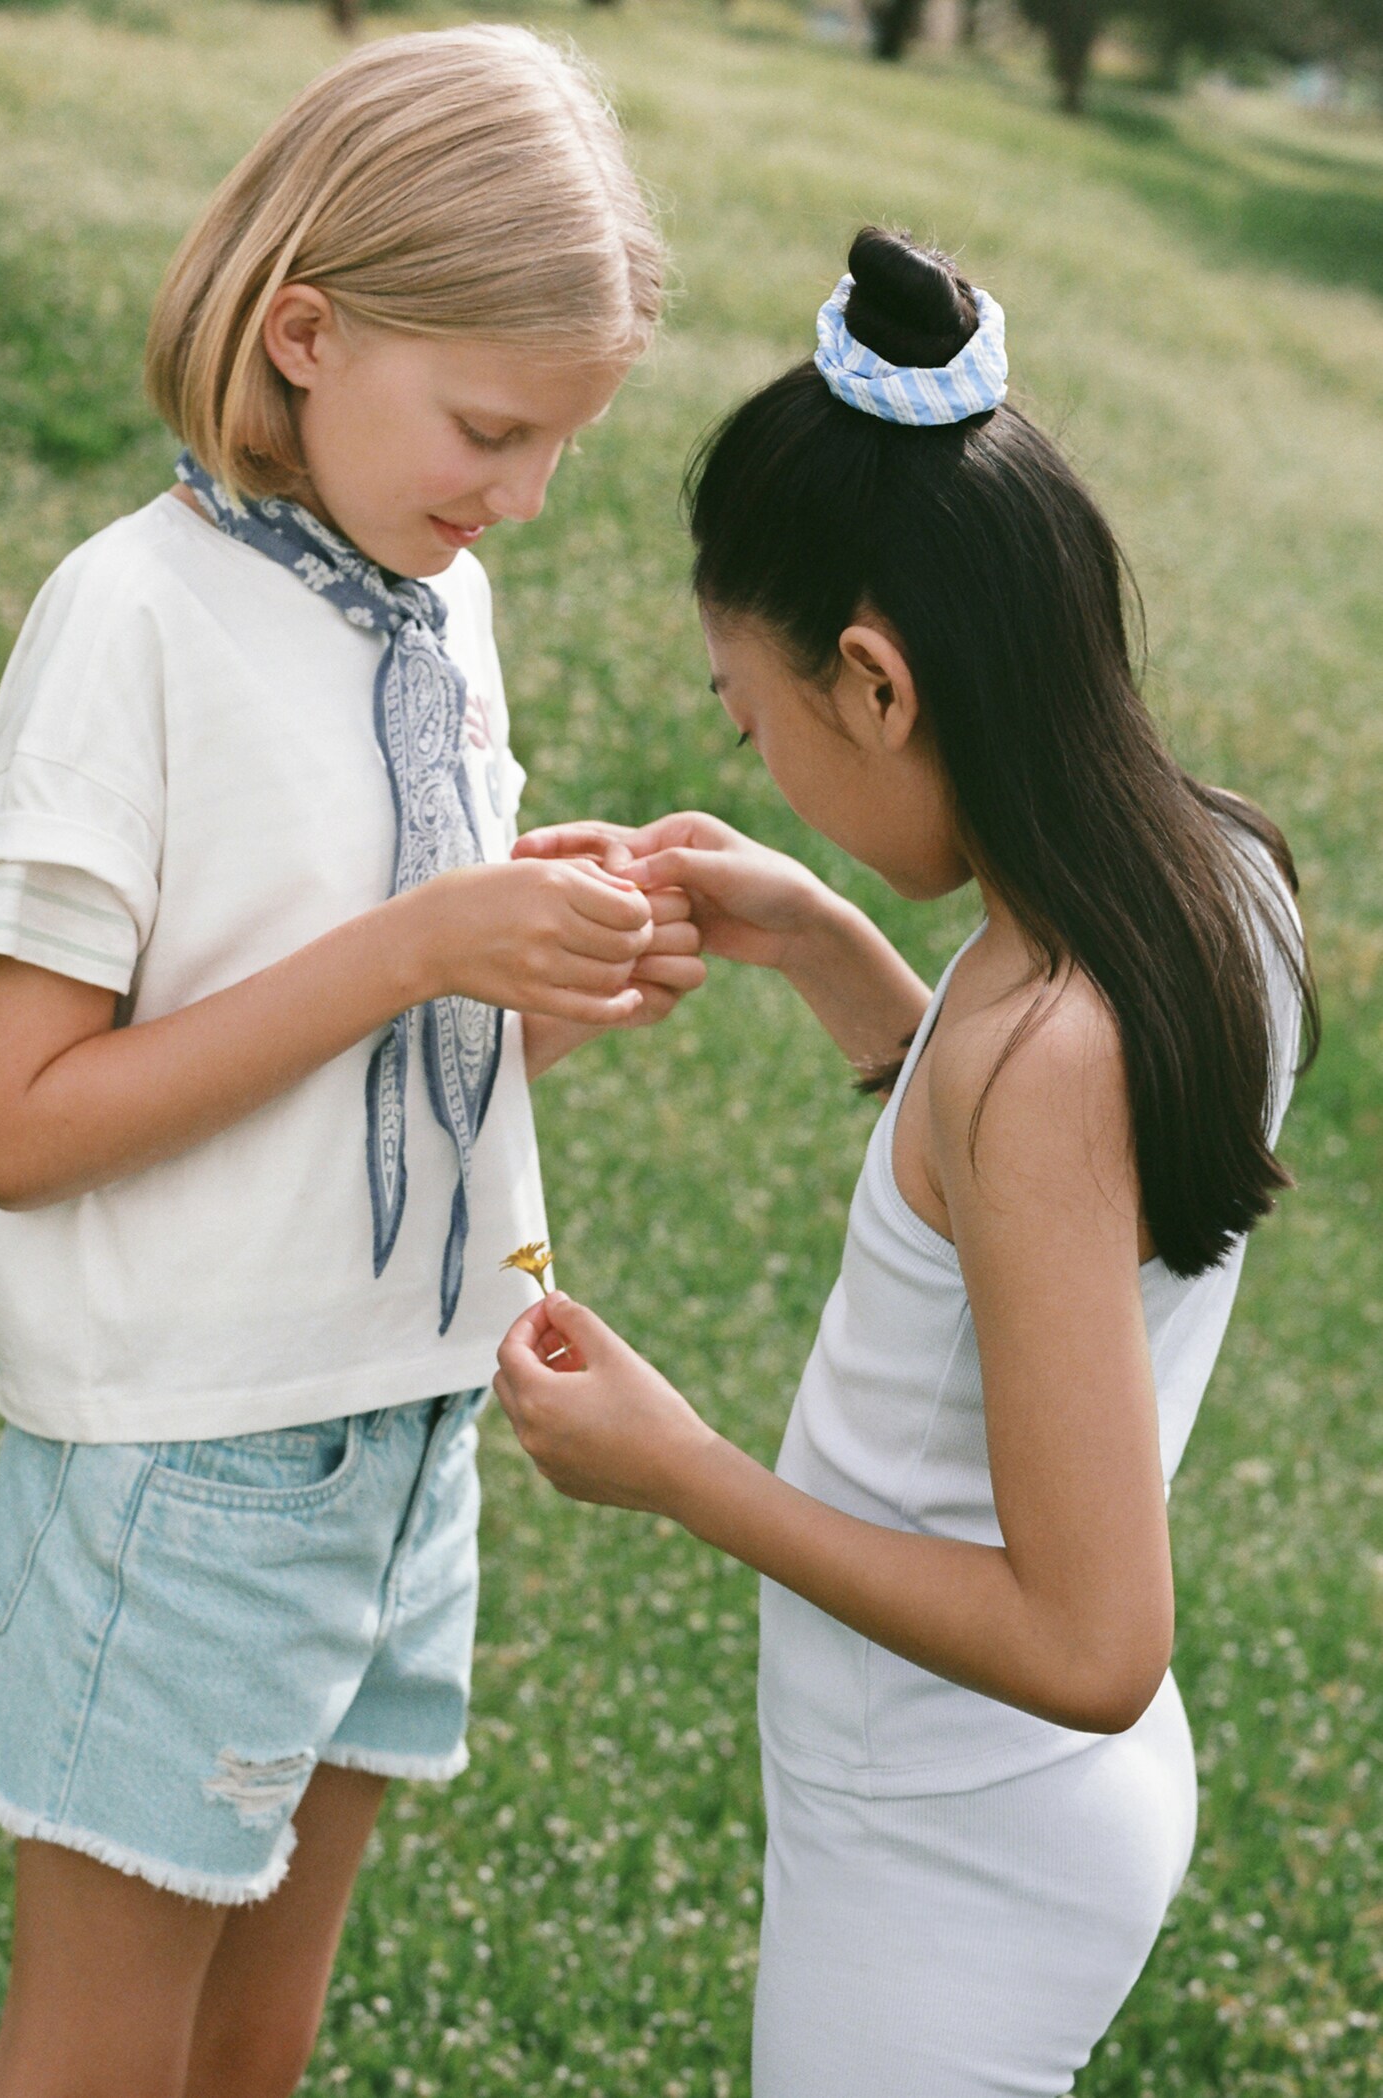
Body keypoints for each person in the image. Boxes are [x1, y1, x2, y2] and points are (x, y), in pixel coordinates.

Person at [0, 28, 704, 2098]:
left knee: (254, 2048)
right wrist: (411, 947)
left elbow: (378, 1050)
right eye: (492, 427)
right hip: (195, 1456)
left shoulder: (438, 608)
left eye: (563, 444)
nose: (523, 494)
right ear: (303, 332)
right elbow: (23, 1123)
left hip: (405, 1421)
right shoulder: (130, 623)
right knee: (105, 2058)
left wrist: (540, 979)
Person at [494, 227, 1318, 2098]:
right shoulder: (1211, 879)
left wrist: (684, 1471)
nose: (758, 764)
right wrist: (827, 947)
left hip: (948, 1841)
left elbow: (1092, 1638)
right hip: (1011, 1806)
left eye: (749, 718)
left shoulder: (1041, 1048)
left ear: (875, 681)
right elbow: (1040, 1227)